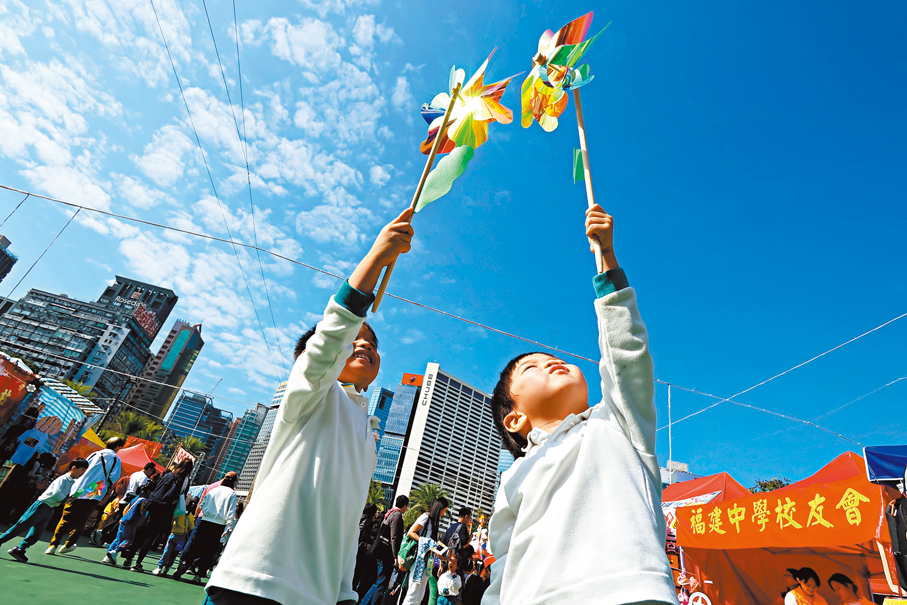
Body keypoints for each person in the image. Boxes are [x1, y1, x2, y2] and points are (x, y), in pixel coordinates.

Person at [206, 209, 415, 605]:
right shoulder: (310, 394)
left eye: (372, 343)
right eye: (355, 338)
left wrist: (342, 591)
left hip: (318, 595)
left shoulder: (366, 431)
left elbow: (346, 520)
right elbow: (330, 338)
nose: (365, 345)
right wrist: (376, 257)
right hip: (255, 581)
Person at [484, 205, 677, 605]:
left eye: (550, 358)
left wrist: (606, 259)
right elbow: (504, 562)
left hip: (632, 593)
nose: (550, 361)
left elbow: (627, 358)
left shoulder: (617, 424)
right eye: (532, 368)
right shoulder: (514, 477)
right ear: (515, 417)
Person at [46, 436, 125, 555]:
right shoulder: (115, 459)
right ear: (118, 447)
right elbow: (113, 478)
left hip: (79, 487)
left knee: (66, 518)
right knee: (82, 518)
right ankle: (69, 544)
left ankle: (53, 545)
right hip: (96, 488)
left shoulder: (94, 454)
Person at [0, 457, 88, 562]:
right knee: (20, 526)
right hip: (42, 505)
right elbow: (57, 493)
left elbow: (67, 495)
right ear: (74, 468)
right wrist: (66, 500)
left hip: (50, 508)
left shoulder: (72, 482)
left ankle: (20, 549)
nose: (83, 473)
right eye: (82, 470)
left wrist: (75, 496)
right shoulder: (64, 479)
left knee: (37, 533)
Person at [121, 457, 193, 571]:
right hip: (165, 510)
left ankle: (129, 558)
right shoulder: (185, 481)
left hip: (151, 505)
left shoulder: (168, 475)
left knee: (141, 533)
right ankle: (138, 563)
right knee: (151, 536)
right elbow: (181, 496)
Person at [174, 472, 237, 583]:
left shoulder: (213, 489)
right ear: (234, 481)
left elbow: (202, 504)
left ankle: (182, 565)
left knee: (194, 544)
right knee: (208, 550)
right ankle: (198, 574)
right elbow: (231, 512)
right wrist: (229, 527)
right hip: (218, 525)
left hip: (204, 520)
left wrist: (203, 513)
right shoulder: (231, 493)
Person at [359, 495, 409, 605]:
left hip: (380, 552)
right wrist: (396, 556)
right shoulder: (397, 515)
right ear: (405, 506)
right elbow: (394, 537)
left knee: (378, 582)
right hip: (386, 554)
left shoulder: (390, 513)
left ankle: (363, 603)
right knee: (381, 583)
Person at [401, 497, 449, 605]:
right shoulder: (426, 517)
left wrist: (443, 558)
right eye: (444, 511)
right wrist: (426, 541)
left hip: (427, 562)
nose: (443, 514)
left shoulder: (434, 523)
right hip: (419, 560)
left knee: (420, 594)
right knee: (413, 592)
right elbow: (411, 532)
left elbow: (433, 545)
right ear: (439, 508)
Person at [102, 483, 152, 565]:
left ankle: (107, 556)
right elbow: (142, 512)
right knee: (128, 540)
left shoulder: (136, 498)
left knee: (118, 539)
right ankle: (115, 551)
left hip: (124, 519)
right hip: (131, 522)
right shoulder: (144, 501)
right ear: (149, 491)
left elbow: (126, 508)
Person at [152, 495, 198, 576]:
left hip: (173, 535)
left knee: (167, 551)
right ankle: (167, 566)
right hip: (182, 539)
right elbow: (191, 527)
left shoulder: (179, 513)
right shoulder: (191, 516)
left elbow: (172, 519)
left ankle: (160, 567)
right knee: (174, 553)